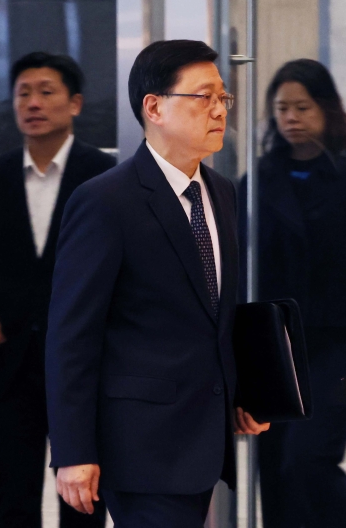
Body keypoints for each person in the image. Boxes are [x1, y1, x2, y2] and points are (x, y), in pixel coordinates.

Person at [45, 39, 270, 528]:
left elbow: (213, 314)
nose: (220, 110)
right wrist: (73, 450)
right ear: (154, 108)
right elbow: (71, 336)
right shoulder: (106, 200)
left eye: (224, 98)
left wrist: (242, 392)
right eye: (204, 97)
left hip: (204, 437)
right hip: (140, 444)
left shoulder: (221, 192)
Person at [0, 51, 115, 528]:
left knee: (84, 505)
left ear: (75, 103)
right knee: (14, 504)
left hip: (85, 368)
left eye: (46, 92)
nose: (33, 103)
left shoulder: (105, 177)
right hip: (10, 364)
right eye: (23, 93)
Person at [238, 58, 346, 528]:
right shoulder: (258, 180)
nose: (291, 118)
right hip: (274, 347)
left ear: (327, 109)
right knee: (273, 469)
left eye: (302, 108)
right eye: (282, 108)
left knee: (307, 460)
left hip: (338, 344)